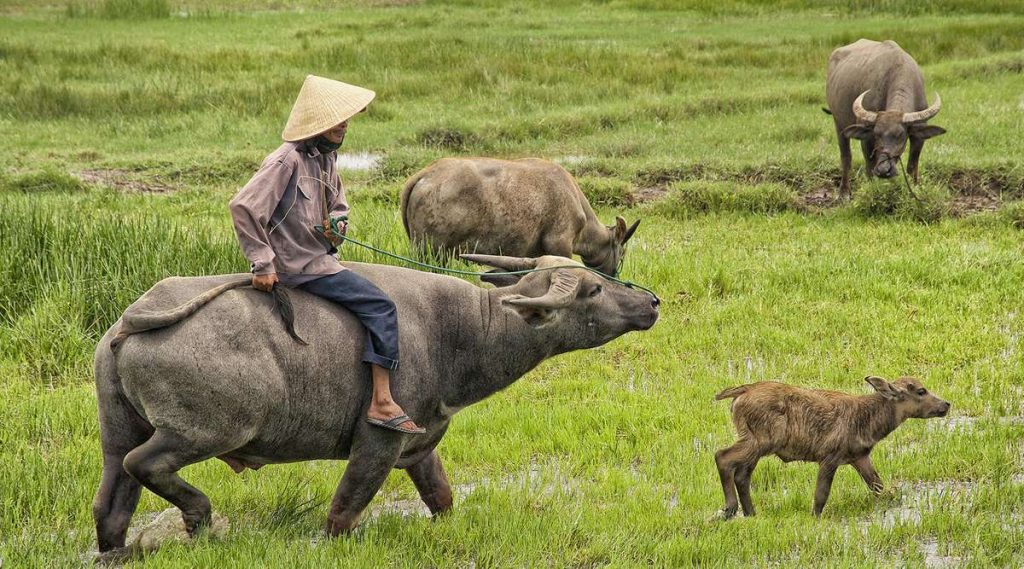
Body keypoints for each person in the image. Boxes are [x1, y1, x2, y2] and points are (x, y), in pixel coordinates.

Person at [229, 75, 424, 435]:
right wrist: (262, 262)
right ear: (317, 123)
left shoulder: (324, 160)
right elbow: (243, 207)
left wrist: (337, 224)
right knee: (381, 306)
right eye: (336, 120)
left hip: (321, 258)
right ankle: (382, 400)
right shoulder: (285, 161)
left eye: (346, 119)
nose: (343, 125)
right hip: (298, 266)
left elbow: (338, 205)